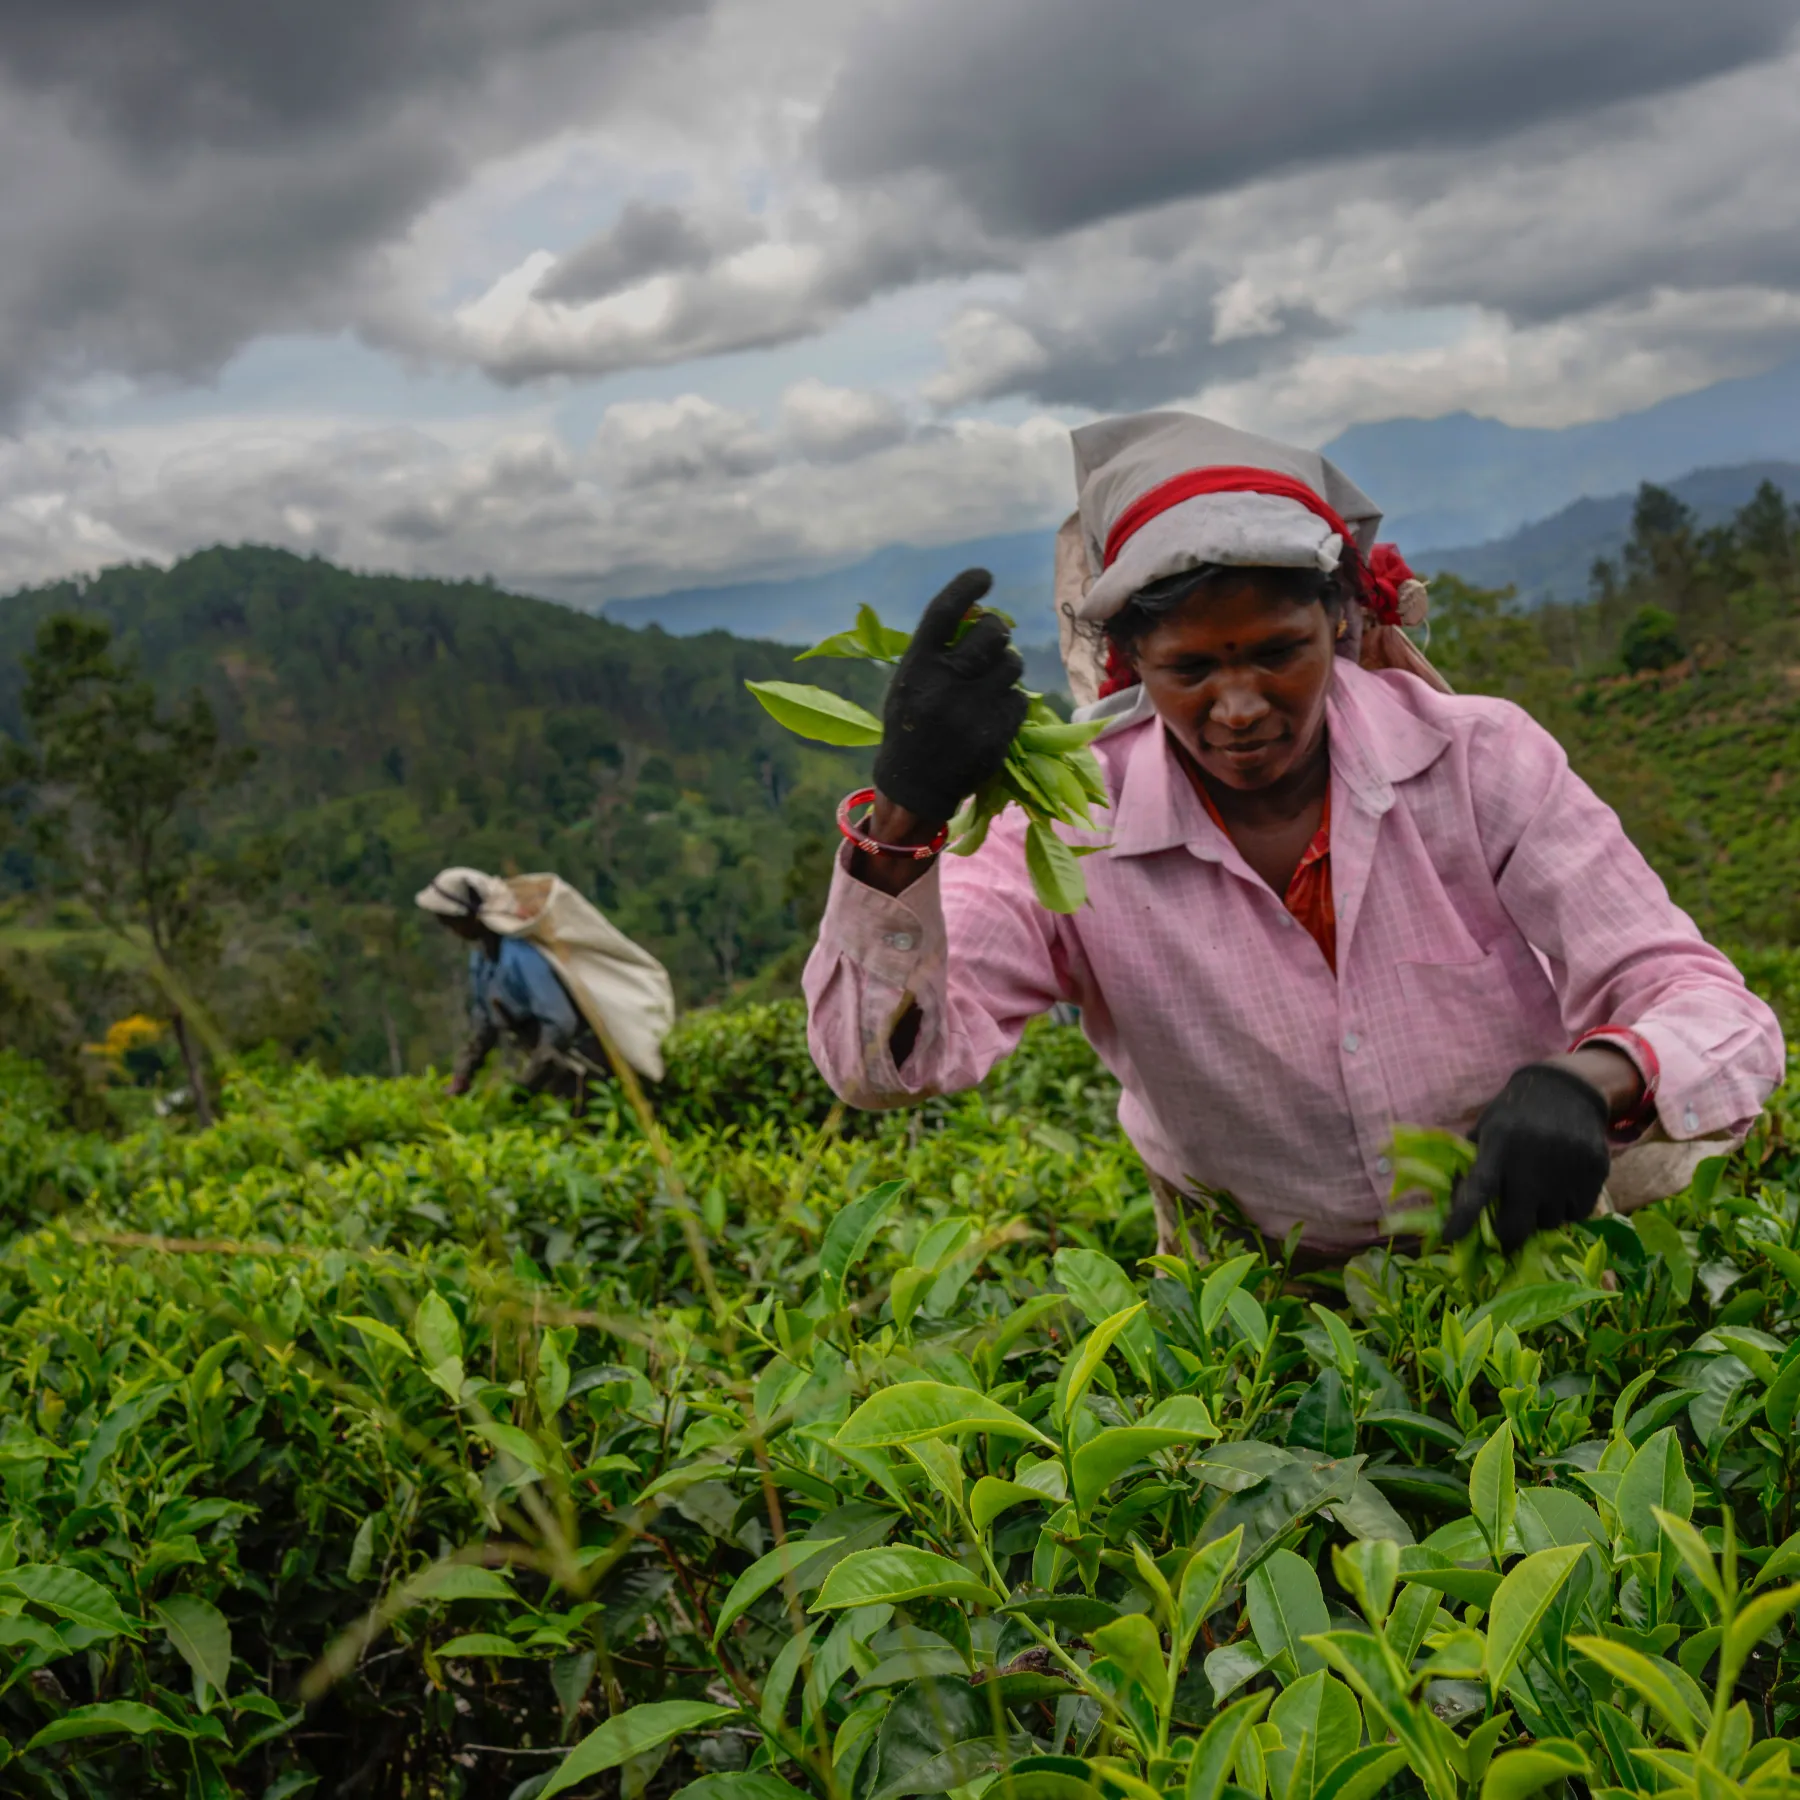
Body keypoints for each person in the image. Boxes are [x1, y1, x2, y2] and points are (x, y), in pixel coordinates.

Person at [803, 411, 1785, 1265]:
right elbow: (880, 1068)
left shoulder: (1479, 762)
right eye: (1191, 668)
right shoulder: (1069, 830)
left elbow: (1711, 1008)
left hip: (1522, 1268)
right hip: (1254, 1321)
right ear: (1130, 660)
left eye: (1279, 653)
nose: (1237, 708)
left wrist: (1593, 1079)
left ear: (1343, 623)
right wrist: (906, 818)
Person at [417, 867, 605, 1101]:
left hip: (583, 1066)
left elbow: (560, 1022)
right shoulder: (483, 959)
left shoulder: (521, 954)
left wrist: (527, 1083)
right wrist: (463, 1075)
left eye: (452, 921)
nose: (450, 928)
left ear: (473, 917)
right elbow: (485, 1023)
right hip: (550, 1067)